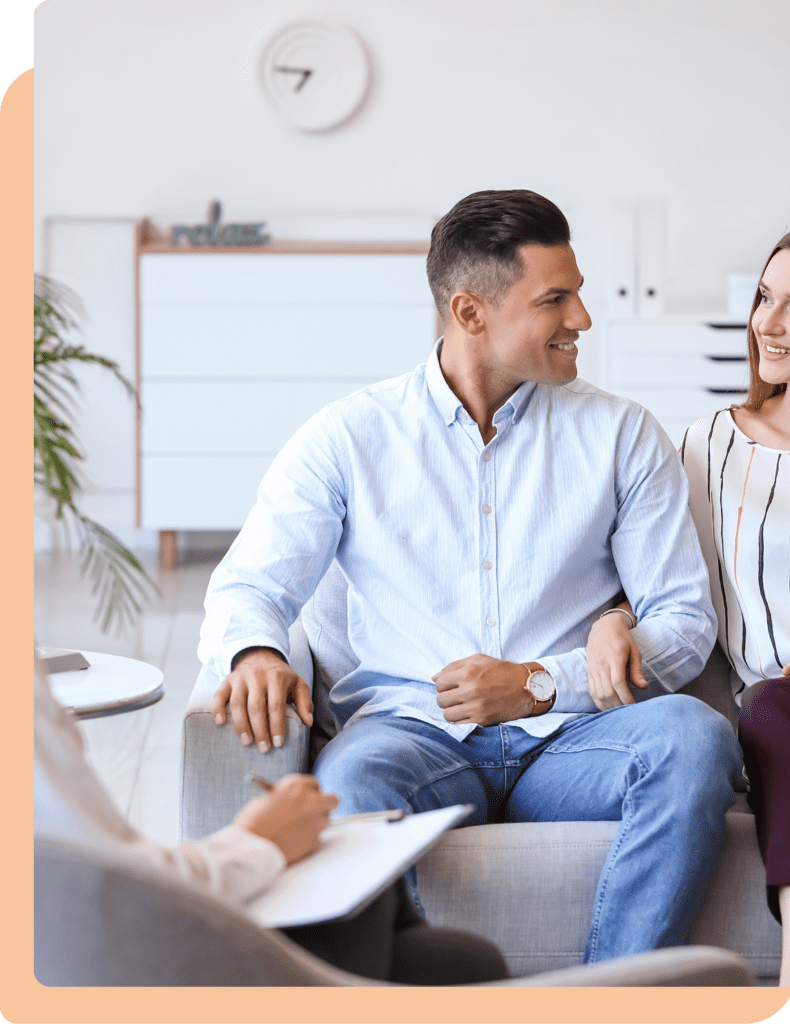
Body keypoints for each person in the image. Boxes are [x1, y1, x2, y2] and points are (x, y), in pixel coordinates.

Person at [199, 189, 743, 964]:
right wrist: (256, 652)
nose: (583, 318)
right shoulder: (348, 437)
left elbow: (684, 623)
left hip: (575, 741)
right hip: (411, 736)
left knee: (693, 737)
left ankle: (615, 1002)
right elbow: (250, 582)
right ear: (470, 312)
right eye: (555, 299)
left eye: (578, 292)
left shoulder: (622, 435)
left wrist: (538, 685)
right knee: (350, 782)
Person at [586, 220, 790, 987]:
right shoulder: (711, 446)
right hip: (786, 706)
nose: (766, 323)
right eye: (764, 297)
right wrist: (613, 620)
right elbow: (656, 574)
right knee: (774, 709)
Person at [33, 655, 508, 984]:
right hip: (146, 962)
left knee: (449, 959)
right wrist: (260, 840)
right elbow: (107, 892)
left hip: (126, 943)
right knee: (452, 957)